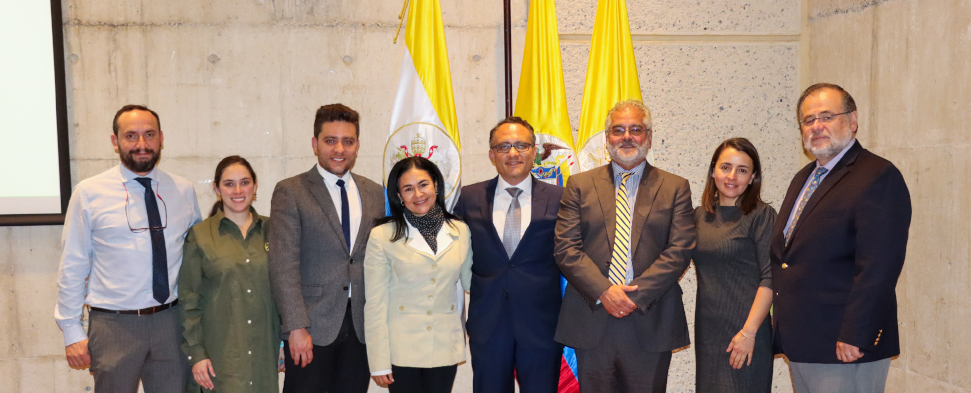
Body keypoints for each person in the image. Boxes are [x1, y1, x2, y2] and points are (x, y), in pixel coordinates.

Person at [771, 83, 911, 392]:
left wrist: (856, 333)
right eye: (808, 120)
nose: (816, 126)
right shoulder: (803, 178)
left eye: (827, 116)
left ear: (853, 120)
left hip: (845, 346)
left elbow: (879, 265)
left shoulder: (877, 176)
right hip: (805, 343)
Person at [55, 105, 202, 392]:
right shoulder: (89, 193)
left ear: (161, 138)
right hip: (114, 325)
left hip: (171, 323)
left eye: (149, 135)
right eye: (131, 136)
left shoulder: (183, 190)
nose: (141, 144)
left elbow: (196, 259)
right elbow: (73, 264)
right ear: (115, 141)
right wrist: (72, 330)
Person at [553, 99, 696, 392]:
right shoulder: (578, 185)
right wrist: (605, 291)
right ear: (607, 139)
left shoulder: (674, 187)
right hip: (592, 318)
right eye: (618, 130)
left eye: (636, 129)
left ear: (649, 137)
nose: (627, 136)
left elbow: (679, 250)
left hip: (650, 317)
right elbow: (565, 248)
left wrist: (634, 295)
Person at [268, 104, 386, 393]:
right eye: (330, 140)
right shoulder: (291, 191)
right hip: (311, 328)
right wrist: (295, 327)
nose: (339, 149)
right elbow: (283, 265)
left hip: (360, 328)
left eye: (348, 141)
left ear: (357, 146)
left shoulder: (373, 192)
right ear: (315, 144)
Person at [453, 117, 564, 393]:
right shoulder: (469, 197)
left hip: (542, 326)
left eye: (521, 145)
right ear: (492, 154)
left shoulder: (561, 197)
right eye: (503, 146)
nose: (513, 153)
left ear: (534, 151)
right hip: (488, 325)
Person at [363, 156, 473, 393]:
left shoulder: (460, 230)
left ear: (435, 184)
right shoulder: (382, 235)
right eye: (408, 189)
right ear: (399, 196)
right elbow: (375, 303)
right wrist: (379, 362)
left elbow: (472, 281)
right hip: (401, 350)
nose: (418, 194)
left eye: (423, 185)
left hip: (445, 346)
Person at [179, 155, 281, 392]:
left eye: (244, 182)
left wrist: (284, 341)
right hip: (220, 357)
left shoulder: (274, 230)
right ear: (217, 188)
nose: (237, 190)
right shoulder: (200, 236)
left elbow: (285, 290)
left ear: (255, 186)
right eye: (229, 183)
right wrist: (197, 354)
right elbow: (188, 300)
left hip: (264, 354)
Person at [693, 138, 776, 392]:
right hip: (709, 333)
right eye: (725, 167)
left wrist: (748, 333)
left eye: (742, 170)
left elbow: (770, 279)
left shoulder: (761, 215)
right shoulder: (698, 216)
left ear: (752, 177)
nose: (732, 176)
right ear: (713, 171)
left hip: (746, 333)